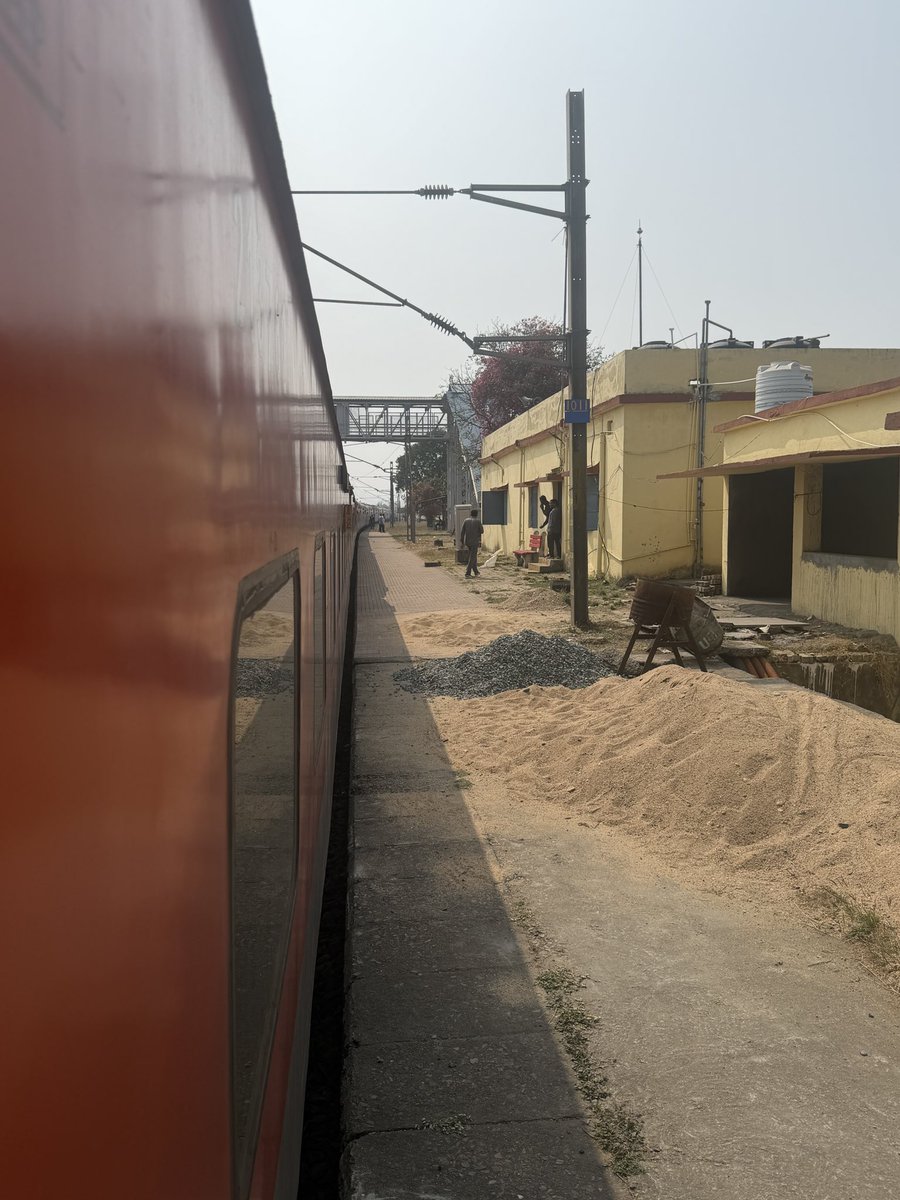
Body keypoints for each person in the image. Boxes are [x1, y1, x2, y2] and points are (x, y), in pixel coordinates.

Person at [460, 507, 484, 578]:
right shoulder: (477, 521)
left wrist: (462, 541)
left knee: (473, 556)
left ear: (470, 514)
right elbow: (482, 531)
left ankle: (476, 571)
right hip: (474, 542)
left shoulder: (466, 521)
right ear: (476, 514)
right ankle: (467, 573)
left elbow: (462, 532)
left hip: (467, 541)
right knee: (472, 557)